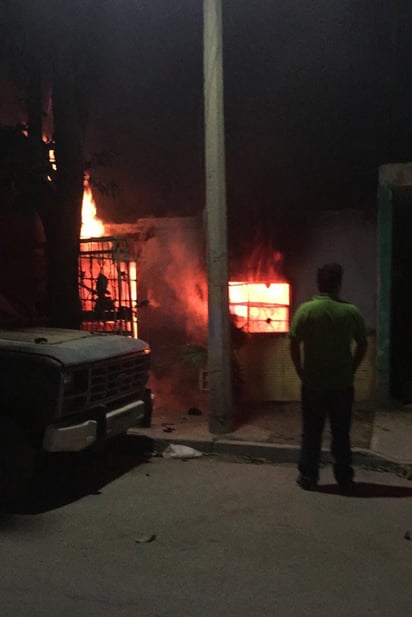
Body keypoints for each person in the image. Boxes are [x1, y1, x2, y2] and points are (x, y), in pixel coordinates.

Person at [289, 263, 368, 493]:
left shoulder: (306, 310)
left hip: (313, 383)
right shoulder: (350, 311)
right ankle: (344, 478)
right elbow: (363, 343)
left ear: (318, 283)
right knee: (341, 433)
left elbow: (293, 343)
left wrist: (299, 370)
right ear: (338, 284)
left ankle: (308, 477)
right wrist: (352, 367)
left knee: (311, 432)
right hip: (342, 385)